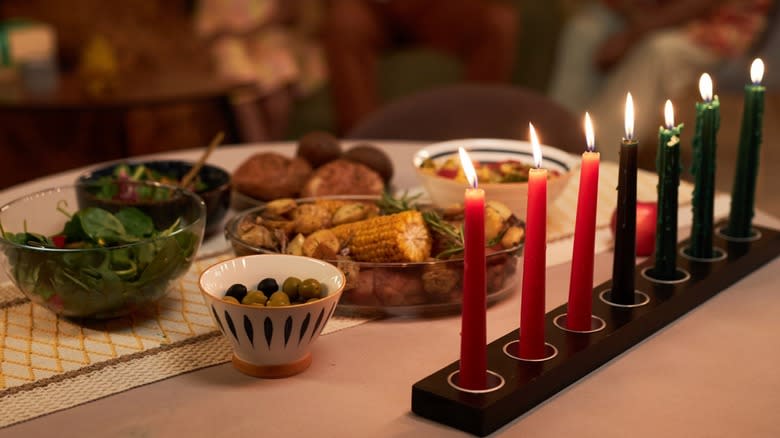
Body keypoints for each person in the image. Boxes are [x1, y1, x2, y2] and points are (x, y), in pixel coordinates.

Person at [548, 0, 775, 161]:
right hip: (647, 10)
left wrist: (634, 35)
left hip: (716, 23)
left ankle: (601, 159)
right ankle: (560, 143)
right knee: (584, 31)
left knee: (658, 53)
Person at [321, 0, 519, 135]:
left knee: (498, 22)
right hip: (372, 7)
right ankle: (363, 146)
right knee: (344, 24)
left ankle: (472, 142)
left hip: (434, 7)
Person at [195, 0, 327, 141]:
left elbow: (288, 15)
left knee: (278, 107)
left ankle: (273, 150)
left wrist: (254, 28)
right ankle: (261, 150)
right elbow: (207, 29)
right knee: (249, 111)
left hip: (271, 48)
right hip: (236, 54)